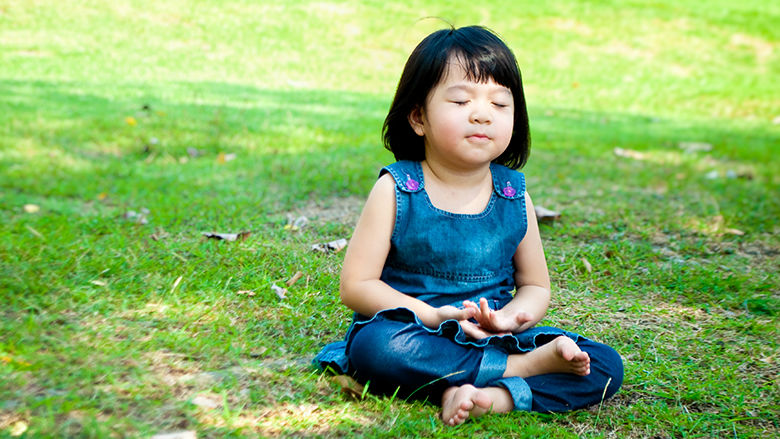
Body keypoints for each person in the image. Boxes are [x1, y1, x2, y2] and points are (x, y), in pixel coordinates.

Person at [314, 25, 623, 426]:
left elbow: (535, 286)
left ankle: (486, 397)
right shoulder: (398, 189)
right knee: (376, 350)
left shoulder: (513, 195)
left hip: (492, 334)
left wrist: (511, 318)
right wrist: (431, 315)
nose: (482, 113)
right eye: (461, 100)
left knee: (604, 364)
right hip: (415, 330)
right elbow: (356, 286)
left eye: (500, 104)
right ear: (418, 117)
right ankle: (520, 371)